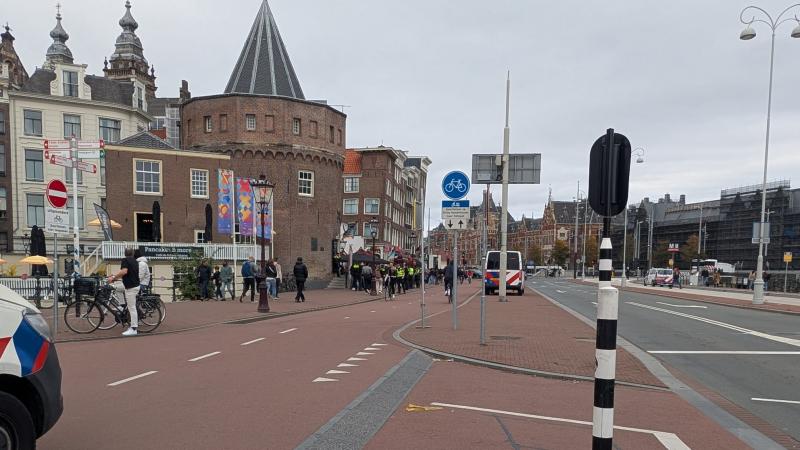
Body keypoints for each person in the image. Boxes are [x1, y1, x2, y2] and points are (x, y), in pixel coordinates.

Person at [107, 248, 140, 336]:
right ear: (132, 254)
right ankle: (122, 305)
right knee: (117, 288)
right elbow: (128, 273)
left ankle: (134, 329)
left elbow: (124, 271)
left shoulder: (125, 260)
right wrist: (115, 277)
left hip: (131, 287)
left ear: (125, 254)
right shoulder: (135, 261)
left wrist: (113, 278)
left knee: (131, 308)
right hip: (134, 285)